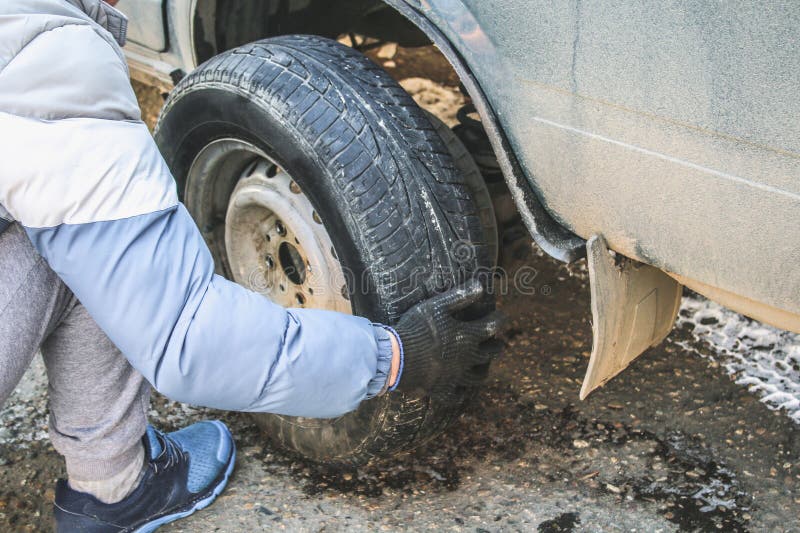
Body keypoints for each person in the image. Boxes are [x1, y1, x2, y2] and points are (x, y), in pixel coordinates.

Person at [0, 0, 501, 530]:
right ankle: (114, 488)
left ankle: (109, 479)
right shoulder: (44, 59)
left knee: (72, 225)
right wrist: (396, 357)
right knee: (89, 245)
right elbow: (186, 338)